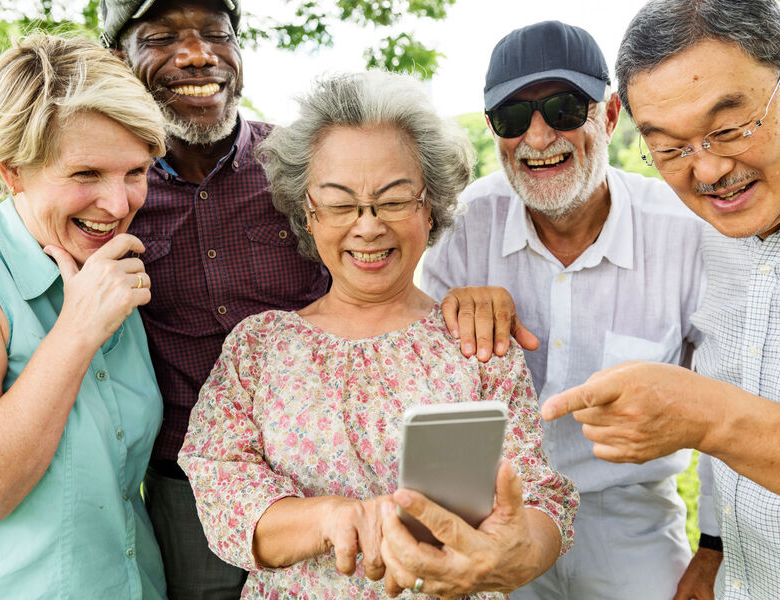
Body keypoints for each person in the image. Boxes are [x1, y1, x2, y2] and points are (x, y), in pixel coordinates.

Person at [100, 2, 531, 596]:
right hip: (186, 471)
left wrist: (473, 303)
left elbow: (533, 500)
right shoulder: (113, 188)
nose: (366, 223)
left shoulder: (298, 157)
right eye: (162, 37)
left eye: (215, 34)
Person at [177, 70, 579, 599]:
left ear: (429, 204)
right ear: (308, 211)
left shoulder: (474, 341)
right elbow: (223, 490)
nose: (367, 227)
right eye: (341, 204)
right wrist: (334, 519)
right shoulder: (258, 348)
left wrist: (514, 551)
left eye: (392, 200)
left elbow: (540, 496)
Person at [422, 21, 709, 600]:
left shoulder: (686, 232)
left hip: (629, 512)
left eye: (562, 108)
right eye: (511, 117)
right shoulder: (463, 224)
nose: (537, 136)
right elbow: (413, 378)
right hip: (494, 503)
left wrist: (716, 549)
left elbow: (731, 399)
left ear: (608, 116)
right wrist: (441, 314)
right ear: (492, 132)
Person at [541, 1, 780, 598]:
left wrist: (707, 416)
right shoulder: (707, 237)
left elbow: (719, 416)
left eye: (729, 128)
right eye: (670, 147)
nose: (707, 169)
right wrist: (715, 551)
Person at [0, 34, 167, 598]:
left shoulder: (112, 260)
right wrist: (78, 329)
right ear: (12, 171)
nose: (118, 206)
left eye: (136, 171)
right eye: (85, 174)